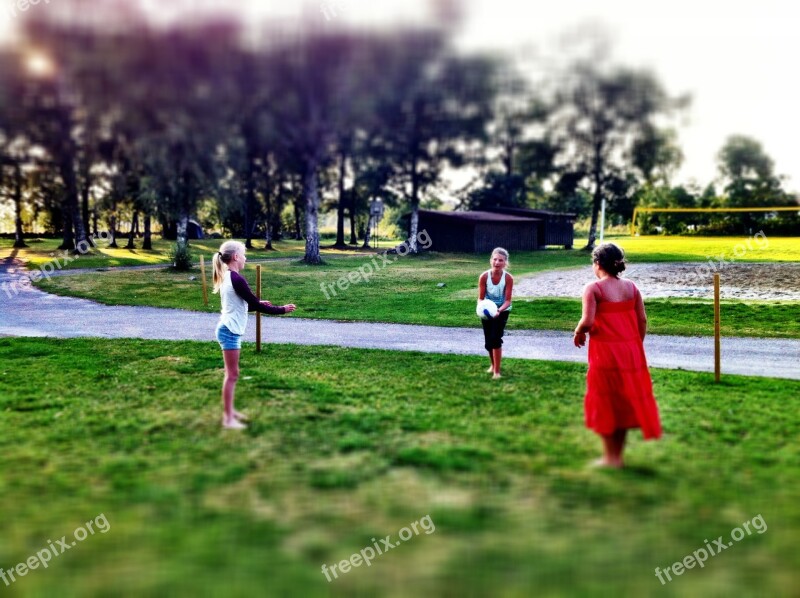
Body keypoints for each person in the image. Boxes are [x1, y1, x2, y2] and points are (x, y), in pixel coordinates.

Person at [573, 243, 661, 467]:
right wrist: (634, 345)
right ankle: (617, 457)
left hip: (605, 354)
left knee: (605, 402)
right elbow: (642, 320)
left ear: (597, 264)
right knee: (623, 402)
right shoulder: (632, 287)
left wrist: (578, 331)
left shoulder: (593, 288)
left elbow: (588, 321)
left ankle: (610, 458)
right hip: (631, 353)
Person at [212, 241, 296, 430]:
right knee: (232, 375)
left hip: (227, 327)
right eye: (243, 254)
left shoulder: (228, 276)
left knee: (232, 374)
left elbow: (244, 304)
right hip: (229, 331)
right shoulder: (236, 279)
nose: (245, 258)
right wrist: (281, 310)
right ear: (235, 257)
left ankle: (230, 412)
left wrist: (259, 303)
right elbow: (255, 305)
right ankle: (228, 418)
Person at [478, 247, 513, 379]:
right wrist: (481, 308)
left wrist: (498, 310)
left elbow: (508, 300)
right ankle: (492, 365)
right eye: (495, 259)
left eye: (501, 260)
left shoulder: (508, 278)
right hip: (487, 311)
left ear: (505, 263)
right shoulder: (484, 276)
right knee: (488, 342)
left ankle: (497, 372)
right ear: (491, 260)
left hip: (502, 311)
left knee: (495, 339)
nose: (497, 262)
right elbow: (481, 298)